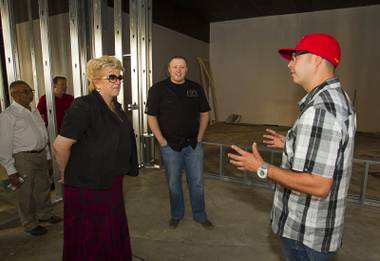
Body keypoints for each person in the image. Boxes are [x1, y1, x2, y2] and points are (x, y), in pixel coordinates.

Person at [228, 33, 356, 260]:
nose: (290, 64)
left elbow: (319, 185)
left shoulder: (320, 110)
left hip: (305, 234)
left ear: (316, 59)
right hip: (319, 230)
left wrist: (261, 167)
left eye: (296, 57)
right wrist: (291, 143)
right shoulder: (338, 97)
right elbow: (330, 150)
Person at [53, 56, 138, 260]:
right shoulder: (83, 105)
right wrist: (65, 172)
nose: (117, 81)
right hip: (87, 184)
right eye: (112, 77)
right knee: (92, 235)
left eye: (119, 77)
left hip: (111, 180)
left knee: (110, 229)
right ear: (96, 81)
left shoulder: (115, 107)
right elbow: (60, 145)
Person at [145, 56, 213, 229]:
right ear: (169, 69)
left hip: (193, 145)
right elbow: (151, 116)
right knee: (174, 183)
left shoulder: (195, 88)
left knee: (196, 183)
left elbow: (205, 113)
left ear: (186, 69)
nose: (178, 70)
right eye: (174, 67)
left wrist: (199, 138)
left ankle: (200, 215)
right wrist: (161, 141)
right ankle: (177, 214)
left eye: (182, 67)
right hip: (170, 147)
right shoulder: (158, 89)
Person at [0, 81, 61, 236]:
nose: (29, 94)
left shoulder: (33, 110)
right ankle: (29, 223)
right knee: (25, 192)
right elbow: (4, 145)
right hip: (23, 158)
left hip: (40, 154)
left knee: (43, 187)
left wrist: (47, 155)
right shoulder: (8, 115)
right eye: (24, 91)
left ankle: (45, 214)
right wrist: (11, 170)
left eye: (30, 90)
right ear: (13, 95)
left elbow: (43, 134)